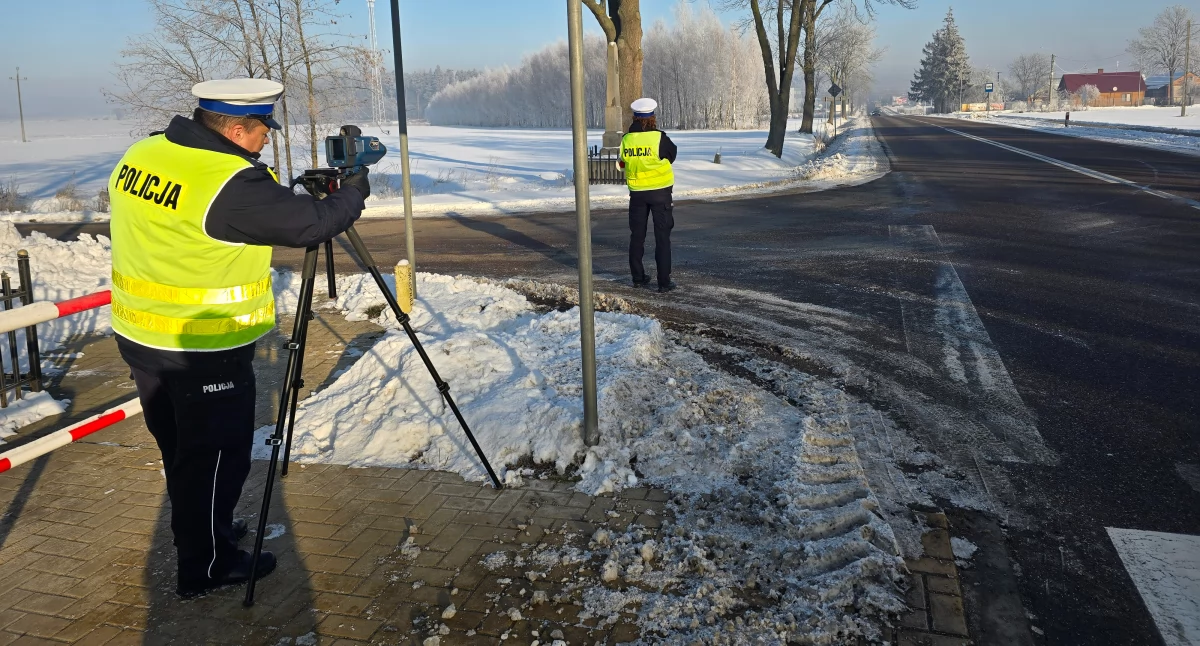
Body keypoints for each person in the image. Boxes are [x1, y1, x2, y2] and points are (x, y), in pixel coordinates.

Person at [107, 78, 371, 598]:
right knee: (214, 459)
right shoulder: (227, 182)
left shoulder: (146, 151)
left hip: (139, 332)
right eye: (261, 131)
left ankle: (209, 530)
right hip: (203, 350)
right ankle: (208, 565)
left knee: (181, 449)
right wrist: (356, 188)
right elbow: (314, 224)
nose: (266, 141)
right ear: (232, 128)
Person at [618, 97, 678, 293]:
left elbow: (622, 163)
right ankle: (663, 282)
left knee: (637, 236)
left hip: (637, 195)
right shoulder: (659, 138)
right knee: (662, 237)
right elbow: (672, 155)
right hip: (660, 194)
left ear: (635, 118)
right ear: (652, 117)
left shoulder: (626, 139)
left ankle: (638, 277)